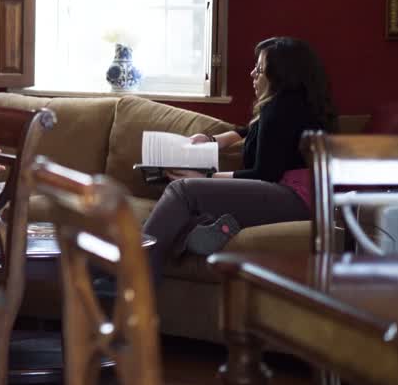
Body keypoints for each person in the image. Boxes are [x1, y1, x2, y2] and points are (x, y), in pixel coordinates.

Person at [143, 36, 337, 277]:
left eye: (260, 69)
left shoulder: (278, 111)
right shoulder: (294, 106)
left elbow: (264, 174)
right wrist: (217, 140)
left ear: (280, 75)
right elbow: (255, 131)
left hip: (296, 199)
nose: (252, 73)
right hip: (305, 197)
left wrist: (205, 176)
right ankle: (211, 230)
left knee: (182, 191)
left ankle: (131, 279)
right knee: (186, 203)